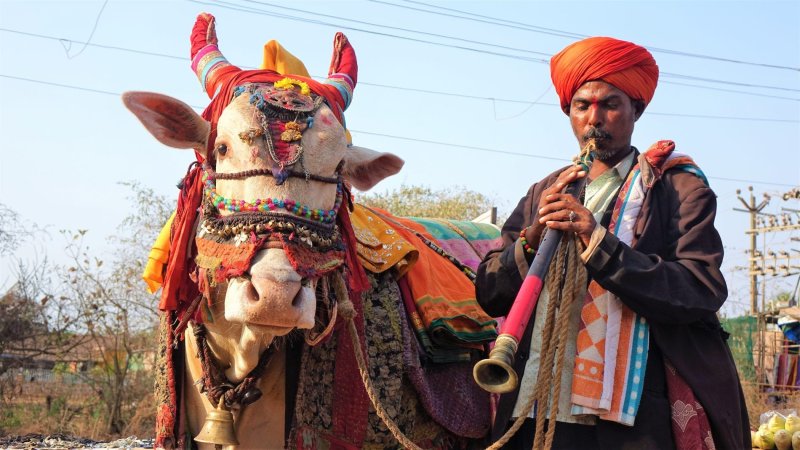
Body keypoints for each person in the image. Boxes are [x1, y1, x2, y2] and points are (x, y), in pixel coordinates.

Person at [476, 36, 750, 450]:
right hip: (532, 408)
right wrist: (531, 240)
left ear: (636, 110)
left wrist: (599, 242)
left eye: (610, 104)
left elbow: (700, 289)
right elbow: (490, 293)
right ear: (569, 112)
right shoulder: (543, 192)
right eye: (582, 106)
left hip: (630, 419)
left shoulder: (678, 189)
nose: (594, 119)